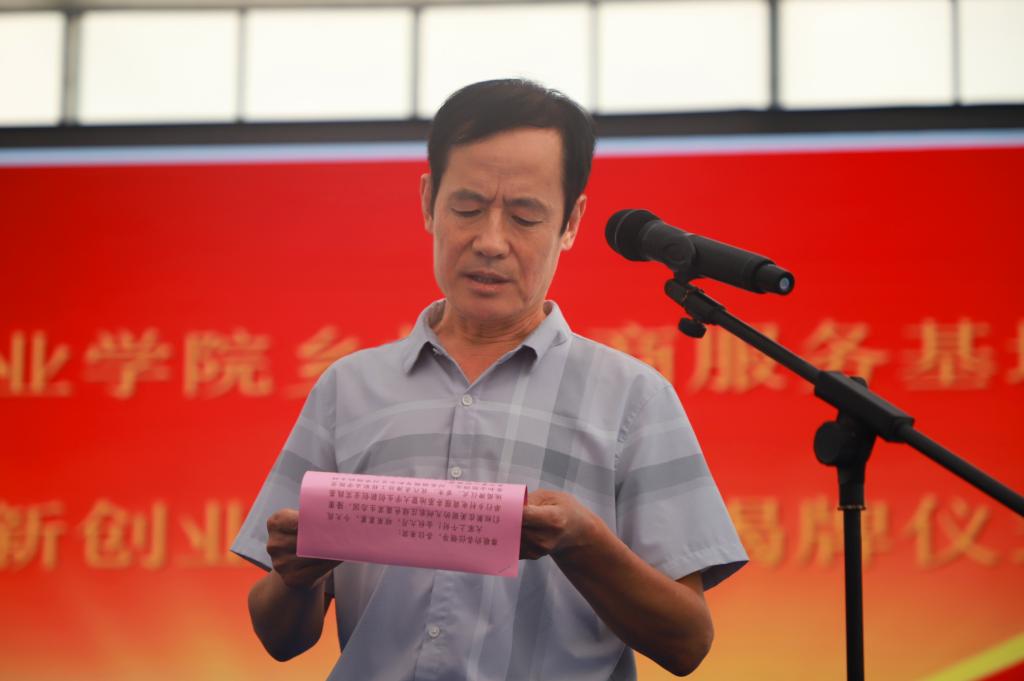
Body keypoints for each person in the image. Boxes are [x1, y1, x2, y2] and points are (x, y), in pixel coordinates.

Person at [231, 79, 747, 681]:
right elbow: (281, 639)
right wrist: (296, 577)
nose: (491, 242)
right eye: (468, 209)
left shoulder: (632, 397)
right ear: (429, 201)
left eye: (525, 216)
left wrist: (584, 542)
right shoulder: (350, 388)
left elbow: (687, 644)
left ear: (571, 222)